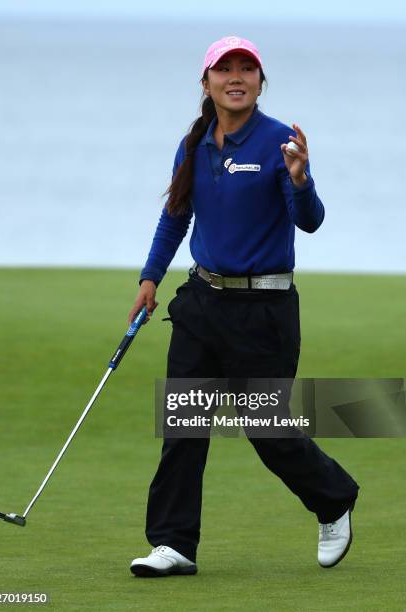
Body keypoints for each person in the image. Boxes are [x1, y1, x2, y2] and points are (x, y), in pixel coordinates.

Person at [128, 35, 359, 577]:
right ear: (206, 83)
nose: (236, 77)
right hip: (201, 302)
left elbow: (311, 220)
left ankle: (334, 500)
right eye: (224, 69)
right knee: (183, 426)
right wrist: (149, 277)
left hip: (264, 310)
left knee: (268, 429)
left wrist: (301, 180)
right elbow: (175, 218)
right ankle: (173, 543)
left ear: (260, 81)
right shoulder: (195, 144)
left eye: (246, 69)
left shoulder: (280, 142)